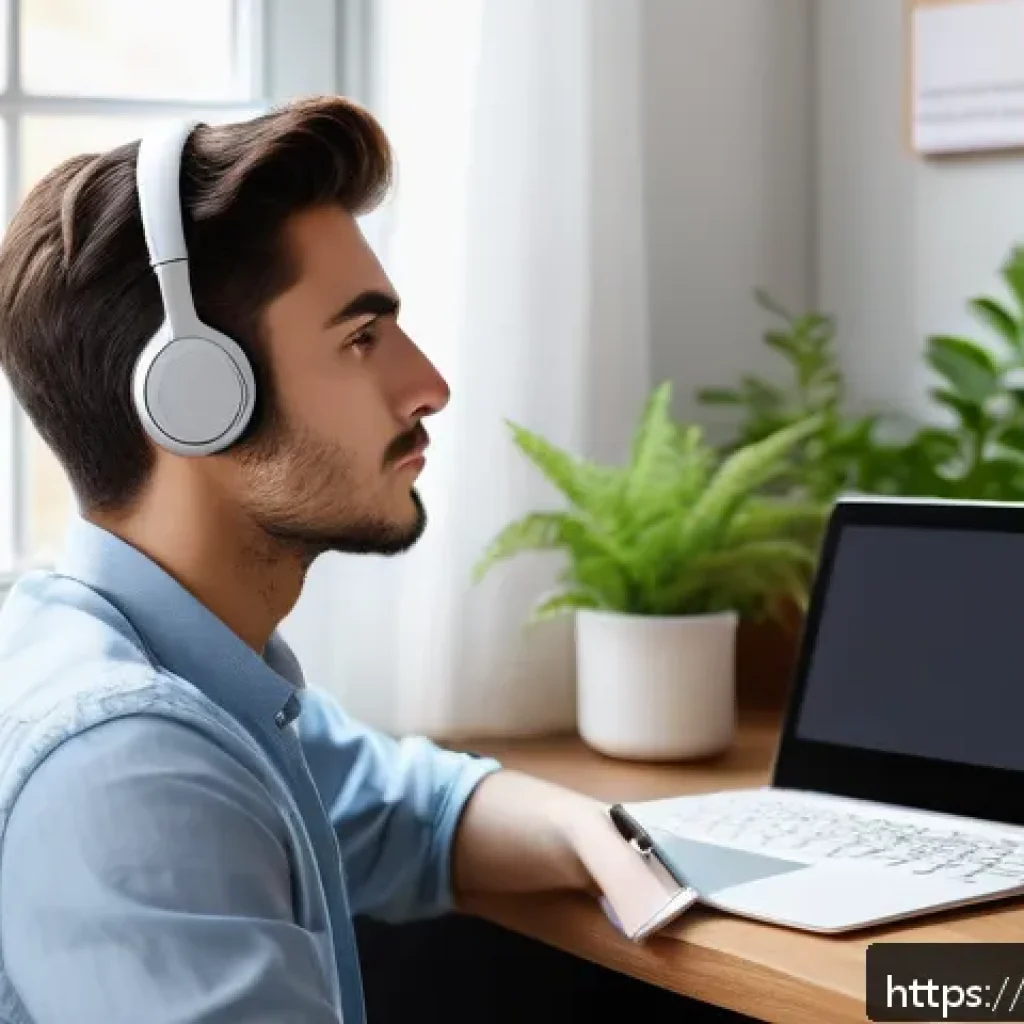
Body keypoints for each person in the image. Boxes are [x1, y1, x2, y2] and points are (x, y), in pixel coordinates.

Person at [0, 96, 654, 1023]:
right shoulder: (130, 768)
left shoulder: (173, 667)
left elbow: (403, 811)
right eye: (360, 338)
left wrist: (599, 837)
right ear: (199, 399)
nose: (428, 385)